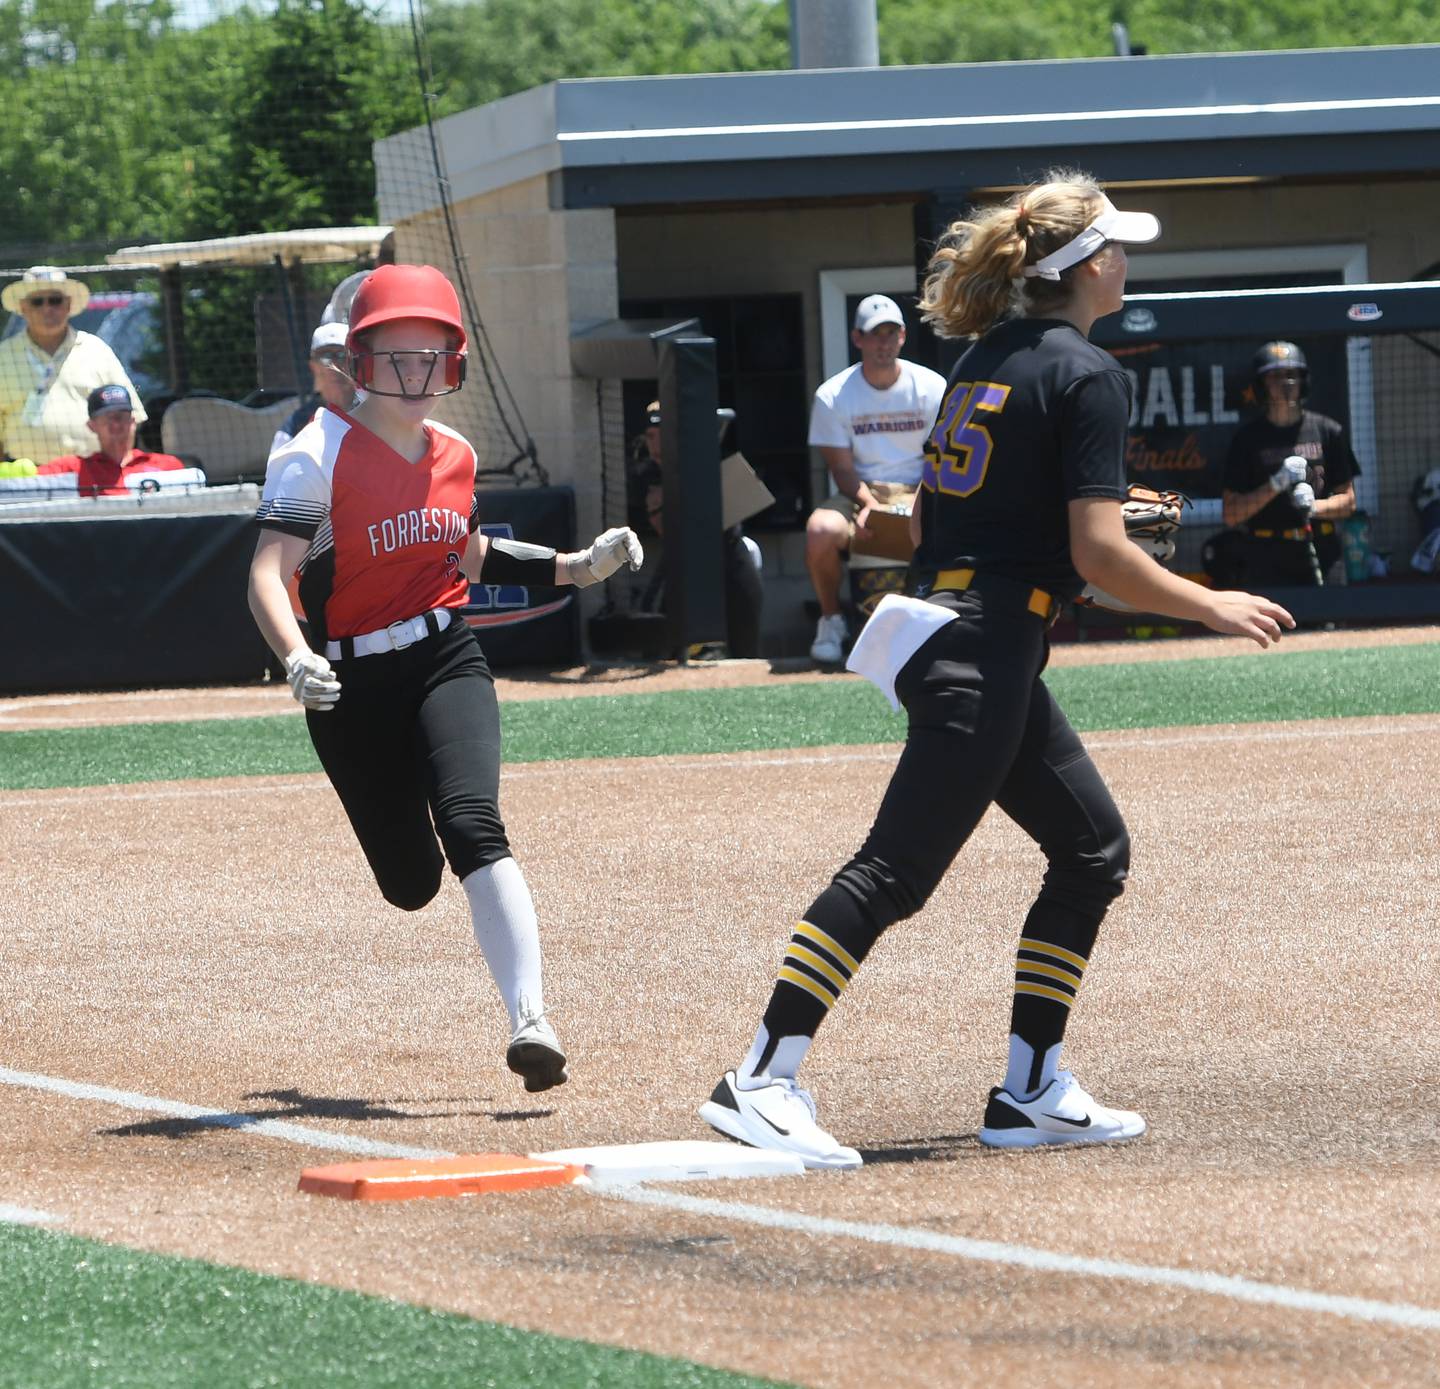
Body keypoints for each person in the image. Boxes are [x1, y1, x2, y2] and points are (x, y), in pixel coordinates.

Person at [699, 171, 1294, 1168]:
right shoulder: (1088, 373)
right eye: (1120, 246)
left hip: (965, 632)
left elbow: (928, 523)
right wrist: (1209, 602)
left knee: (1093, 848)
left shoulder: (982, 359)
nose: (1129, 260)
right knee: (892, 871)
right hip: (984, 645)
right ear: (1089, 265)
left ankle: (1030, 1090)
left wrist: (1050, 542)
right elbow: (1102, 559)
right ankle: (760, 1078)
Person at [246, 263, 643, 1093]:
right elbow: (265, 572)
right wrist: (295, 658)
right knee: (410, 882)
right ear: (360, 360)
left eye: (433, 355)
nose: (418, 374)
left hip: (442, 656)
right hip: (349, 687)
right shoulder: (314, 454)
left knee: (472, 823)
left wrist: (574, 566)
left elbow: (468, 552)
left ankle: (531, 1020)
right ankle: (420, 873)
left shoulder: (454, 452)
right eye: (398, 356)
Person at [805, 294, 947, 665]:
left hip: (921, 490)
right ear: (857, 339)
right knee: (820, 530)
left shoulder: (932, 387)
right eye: (874, 334)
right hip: (860, 494)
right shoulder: (833, 394)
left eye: (890, 333)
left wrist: (917, 503)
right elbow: (841, 469)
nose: (883, 342)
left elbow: (942, 458)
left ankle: (949, 624)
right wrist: (869, 505)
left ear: (902, 337)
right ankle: (832, 621)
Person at [1220, 341, 1360, 586]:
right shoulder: (1247, 440)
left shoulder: (1328, 431)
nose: (1285, 384)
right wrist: (1275, 484)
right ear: (1261, 384)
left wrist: (1314, 507)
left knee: (1332, 623)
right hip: (1267, 554)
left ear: (1303, 380)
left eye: (1291, 375)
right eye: (1274, 376)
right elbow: (1231, 515)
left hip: (1322, 549)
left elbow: (1348, 502)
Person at [635, 400, 765, 658]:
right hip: (681, 561)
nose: (654, 445)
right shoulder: (648, 474)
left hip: (727, 550)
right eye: (649, 437)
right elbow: (664, 530)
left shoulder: (708, 460)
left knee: (746, 636)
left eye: (660, 436)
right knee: (664, 649)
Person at [0, 267, 146, 465]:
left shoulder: (96, 350)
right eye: (37, 301)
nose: (47, 308)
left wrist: (118, 469)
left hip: (92, 477)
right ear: (23, 308)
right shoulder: (4, 356)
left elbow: (130, 417)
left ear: (68, 304)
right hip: (25, 479)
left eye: (55, 300)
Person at [36, 384, 187, 497]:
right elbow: (23, 481)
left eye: (121, 416)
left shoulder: (168, 465)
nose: (116, 424)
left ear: (133, 421)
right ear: (91, 426)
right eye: (108, 418)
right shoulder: (74, 469)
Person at [269, 323, 359, 454]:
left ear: (353, 362)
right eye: (325, 356)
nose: (334, 365)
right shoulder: (295, 426)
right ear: (313, 366)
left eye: (342, 355)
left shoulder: (376, 416)